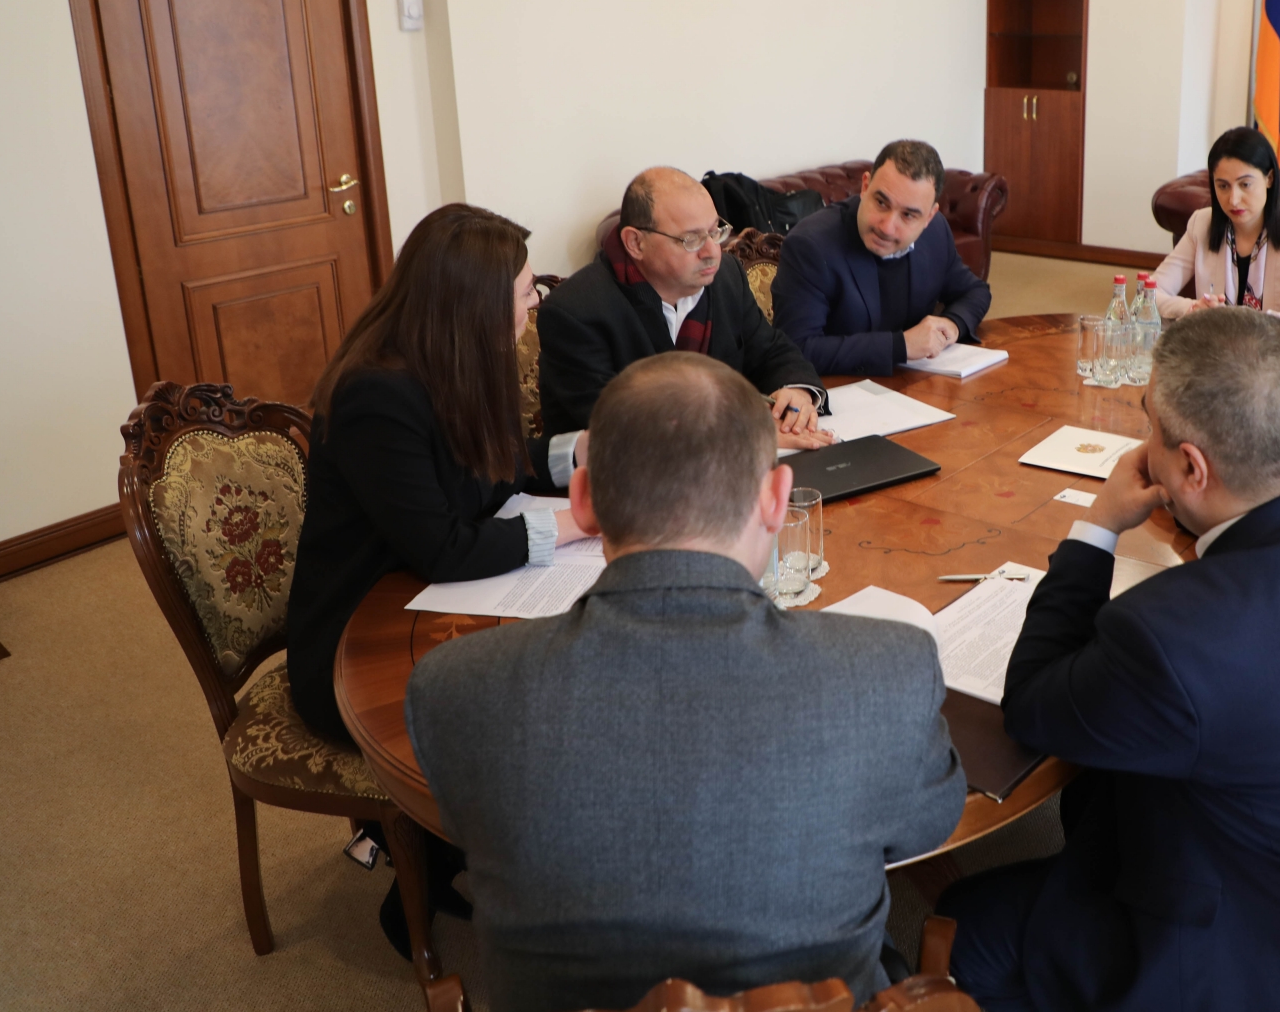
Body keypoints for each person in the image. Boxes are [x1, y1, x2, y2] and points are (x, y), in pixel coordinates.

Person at [938, 308, 1280, 1012]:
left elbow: (1034, 706)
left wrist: (1097, 527)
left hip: (1261, 961)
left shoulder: (1170, 635)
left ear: (1191, 467)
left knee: (964, 921)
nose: (1145, 444)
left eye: (1150, 427)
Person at [405, 352, 967, 1012]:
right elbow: (925, 829)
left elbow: (478, 831)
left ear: (582, 500)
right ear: (777, 498)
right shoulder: (890, 668)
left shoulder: (452, 687)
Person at [287, 203, 591, 955]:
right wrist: (579, 523)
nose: (536, 302)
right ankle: (423, 885)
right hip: (358, 643)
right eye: (524, 290)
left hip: (437, 602)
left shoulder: (452, 357)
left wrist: (585, 452)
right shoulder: (376, 395)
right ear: (472, 305)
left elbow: (499, 462)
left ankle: (482, 859)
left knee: (566, 672)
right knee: (517, 715)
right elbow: (444, 546)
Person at [537, 166, 831, 446]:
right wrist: (748, 434)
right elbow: (619, 428)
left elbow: (771, 351)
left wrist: (797, 390)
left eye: (715, 231)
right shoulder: (576, 312)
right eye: (691, 239)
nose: (712, 251)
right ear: (635, 243)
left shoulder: (727, 277)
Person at [771, 140, 991, 376]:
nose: (887, 227)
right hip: (841, 387)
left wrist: (952, 325)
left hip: (915, 385)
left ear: (929, 216)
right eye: (881, 202)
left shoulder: (935, 232)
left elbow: (975, 291)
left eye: (908, 215)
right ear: (865, 186)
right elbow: (797, 349)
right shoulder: (811, 246)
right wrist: (900, 346)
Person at [1147, 127, 1280, 340]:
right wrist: (1194, 309)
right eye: (1223, 186)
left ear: (1269, 178)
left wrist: (1241, 319)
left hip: (1276, 355)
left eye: (1245, 184)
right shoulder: (1202, 224)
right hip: (1215, 353)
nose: (1233, 199)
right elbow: (1149, 295)